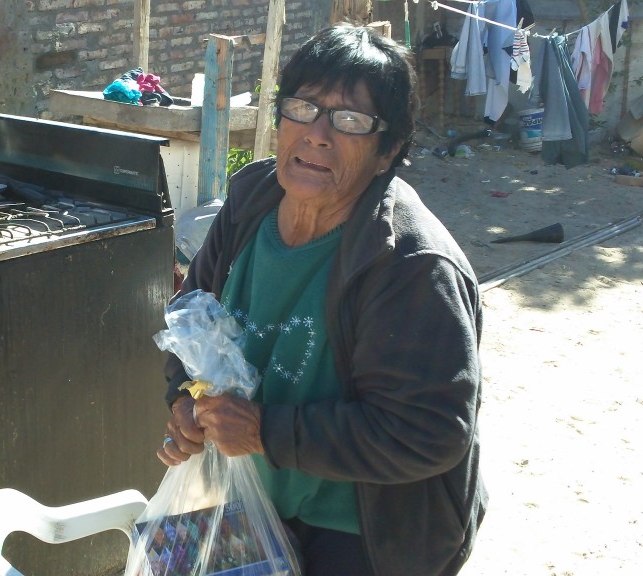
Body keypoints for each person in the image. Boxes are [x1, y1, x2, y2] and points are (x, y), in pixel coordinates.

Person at [158, 24, 487, 575]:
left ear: (388, 151)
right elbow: (191, 319)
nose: (317, 134)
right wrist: (186, 400)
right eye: (303, 108)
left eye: (351, 120)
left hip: (362, 532)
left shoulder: (412, 265)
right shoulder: (251, 201)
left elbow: (428, 432)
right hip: (250, 503)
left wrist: (263, 430)